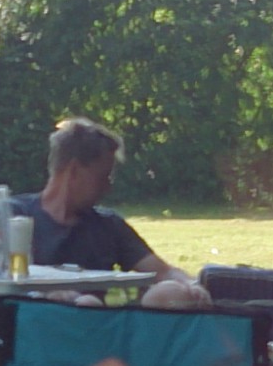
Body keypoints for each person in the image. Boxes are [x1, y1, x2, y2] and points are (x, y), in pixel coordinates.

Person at [12, 117, 209, 309]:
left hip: (96, 331)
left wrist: (189, 285)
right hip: (28, 329)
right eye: (103, 177)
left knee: (171, 292)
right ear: (73, 171)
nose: (108, 187)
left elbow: (162, 272)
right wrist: (46, 295)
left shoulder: (109, 226)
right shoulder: (14, 216)